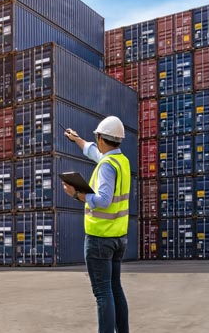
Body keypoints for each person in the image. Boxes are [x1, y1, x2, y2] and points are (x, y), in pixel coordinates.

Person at [62, 116, 130, 333]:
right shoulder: (121, 161)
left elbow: (103, 200)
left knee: (102, 293)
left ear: (101, 138)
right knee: (115, 289)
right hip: (118, 237)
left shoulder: (106, 167)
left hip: (100, 239)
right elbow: (95, 153)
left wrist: (77, 195)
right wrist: (77, 140)